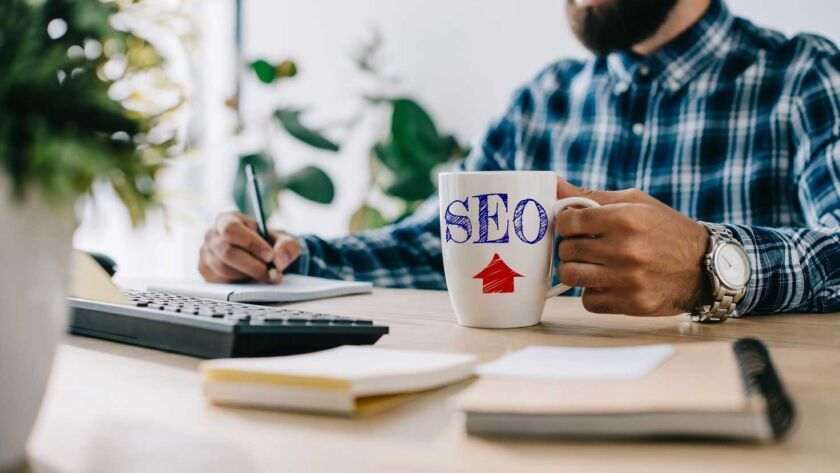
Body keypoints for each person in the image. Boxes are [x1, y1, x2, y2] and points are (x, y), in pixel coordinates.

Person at [199, 0, 840, 319]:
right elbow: (439, 246)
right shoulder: (545, 99)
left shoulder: (805, 77)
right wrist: (289, 259)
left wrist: (710, 264)